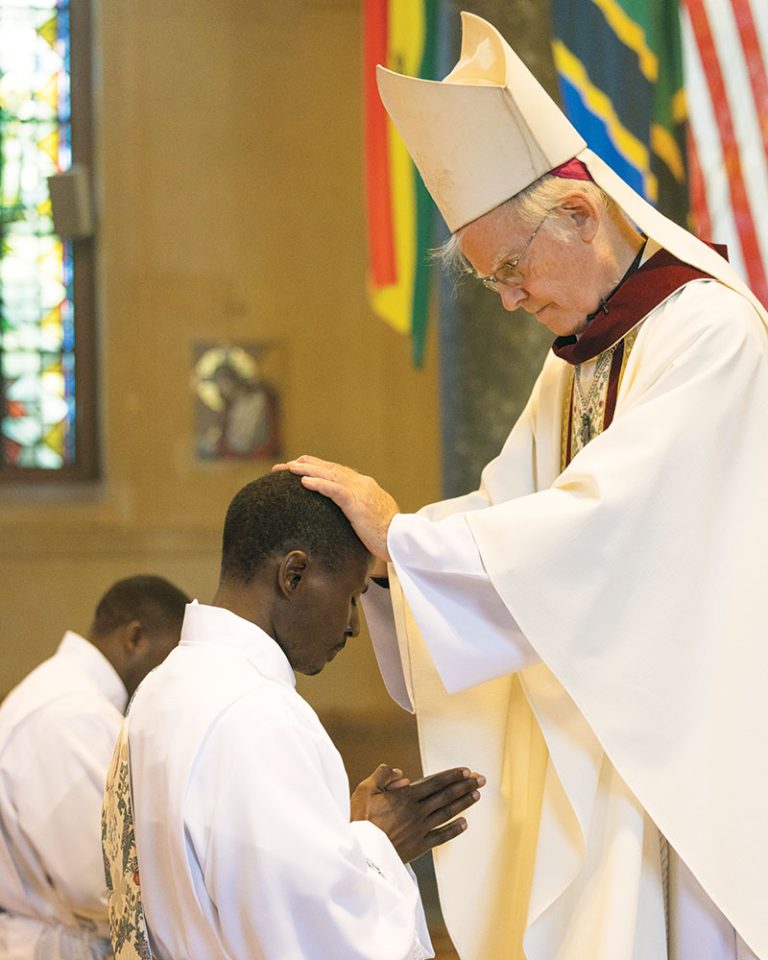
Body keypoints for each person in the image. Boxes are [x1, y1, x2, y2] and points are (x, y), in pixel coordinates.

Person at [277, 12, 768, 960]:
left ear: (579, 214)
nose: (507, 299)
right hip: (614, 745)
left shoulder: (709, 337)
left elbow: (609, 536)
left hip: (682, 748)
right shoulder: (577, 361)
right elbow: (510, 517)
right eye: (489, 279)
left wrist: (406, 539)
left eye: (509, 267)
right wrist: (392, 558)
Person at [102, 471, 484, 960]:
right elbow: (318, 944)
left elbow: (237, 893)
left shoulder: (160, 690)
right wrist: (377, 844)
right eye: (351, 595)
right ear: (294, 575)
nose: (353, 627)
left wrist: (342, 843)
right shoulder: (257, 716)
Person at [0, 575, 189, 960]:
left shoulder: (76, 702)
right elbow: (101, 881)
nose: (174, 682)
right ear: (135, 637)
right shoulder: (70, 714)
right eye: (172, 660)